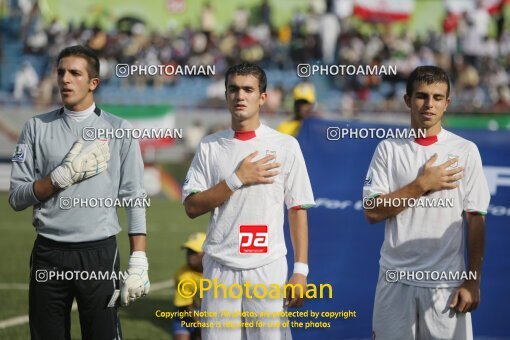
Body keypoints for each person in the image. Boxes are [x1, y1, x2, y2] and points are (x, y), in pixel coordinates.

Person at [9, 45, 150, 340]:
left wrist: (139, 259)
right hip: (48, 254)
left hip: (98, 255)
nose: (65, 80)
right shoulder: (35, 128)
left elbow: (135, 196)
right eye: (61, 72)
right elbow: (17, 197)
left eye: (75, 73)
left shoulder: (119, 130)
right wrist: (59, 177)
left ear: (93, 83)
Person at [182, 62, 315, 340]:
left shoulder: (286, 145)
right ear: (226, 95)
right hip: (220, 266)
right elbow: (192, 207)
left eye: (248, 89)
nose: (240, 96)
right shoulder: (209, 146)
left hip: (268, 267)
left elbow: (297, 209)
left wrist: (300, 271)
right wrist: (237, 178)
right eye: (233, 89)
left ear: (262, 97)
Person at [363, 66, 490, 339]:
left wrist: (473, 279)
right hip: (395, 280)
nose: (429, 104)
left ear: (447, 103)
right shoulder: (388, 149)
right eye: (421, 96)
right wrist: (421, 185)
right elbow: (372, 212)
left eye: (437, 97)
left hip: (446, 284)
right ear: (408, 100)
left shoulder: (465, 150)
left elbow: (476, 218)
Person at [173, 232, 206, 340]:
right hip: (188, 314)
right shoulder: (182, 274)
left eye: (194, 252)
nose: (189, 255)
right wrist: (199, 327)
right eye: (188, 251)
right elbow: (183, 308)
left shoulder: (217, 272)